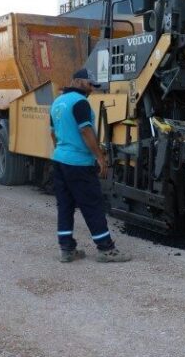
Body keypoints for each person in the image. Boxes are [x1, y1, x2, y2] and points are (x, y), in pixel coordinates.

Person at [49, 68, 131, 263]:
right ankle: (106, 249)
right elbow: (86, 130)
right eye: (89, 84)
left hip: (59, 160)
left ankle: (67, 249)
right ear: (77, 81)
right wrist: (100, 157)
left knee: (65, 205)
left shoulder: (57, 102)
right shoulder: (80, 102)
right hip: (78, 163)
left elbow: (52, 132)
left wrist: (61, 151)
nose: (91, 88)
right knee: (92, 204)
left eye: (93, 85)